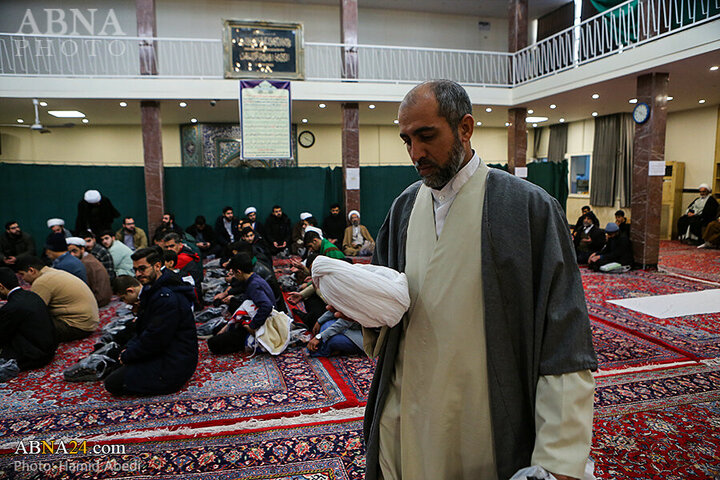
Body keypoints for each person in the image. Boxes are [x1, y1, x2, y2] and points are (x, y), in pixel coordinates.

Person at [359, 80, 596, 480]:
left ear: (465, 128)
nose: (416, 153)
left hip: (484, 422)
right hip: (411, 415)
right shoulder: (403, 209)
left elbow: (563, 339)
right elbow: (384, 313)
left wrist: (559, 456)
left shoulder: (529, 209)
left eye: (426, 136)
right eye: (407, 140)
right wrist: (358, 303)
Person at [103, 247, 198, 396]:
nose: (138, 274)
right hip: (166, 351)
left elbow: (156, 339)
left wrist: (129, 355)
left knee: (113, 383)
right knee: (117, 357)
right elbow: (145, 329)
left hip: (174, 363)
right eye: (135, 270)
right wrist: (128, 351)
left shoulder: (166, 297)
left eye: (142, 269)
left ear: (157, 266)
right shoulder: (154, 288)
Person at [16, 256, 99, 342]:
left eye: (22, 275)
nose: (23, 279)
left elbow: (31, 312)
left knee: (24, 327)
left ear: (31, 271)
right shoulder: (53, 272)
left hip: (76, 327)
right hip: (89, 323)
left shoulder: (42, 281)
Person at [207, 253, 275, 355]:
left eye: (233, 273)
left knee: (213, 343)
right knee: (217, 329)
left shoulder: (254, 285)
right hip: (251, 317)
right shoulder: (252, 279)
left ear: (239, 272)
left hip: (262, 324)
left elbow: (266, 306)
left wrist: (252, 326)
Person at [0, 267, 57, 372]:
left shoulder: (12, 307)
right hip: (49, 351)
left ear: (1, 286)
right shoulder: (32, 295)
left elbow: (2, 335)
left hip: (33, 358)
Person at [66, 237, 112, 307]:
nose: (72, 254)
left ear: (82, 249)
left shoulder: (86, 263)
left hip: (99, 300)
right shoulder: (88, 258)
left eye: (74, 251)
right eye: (69, 252)